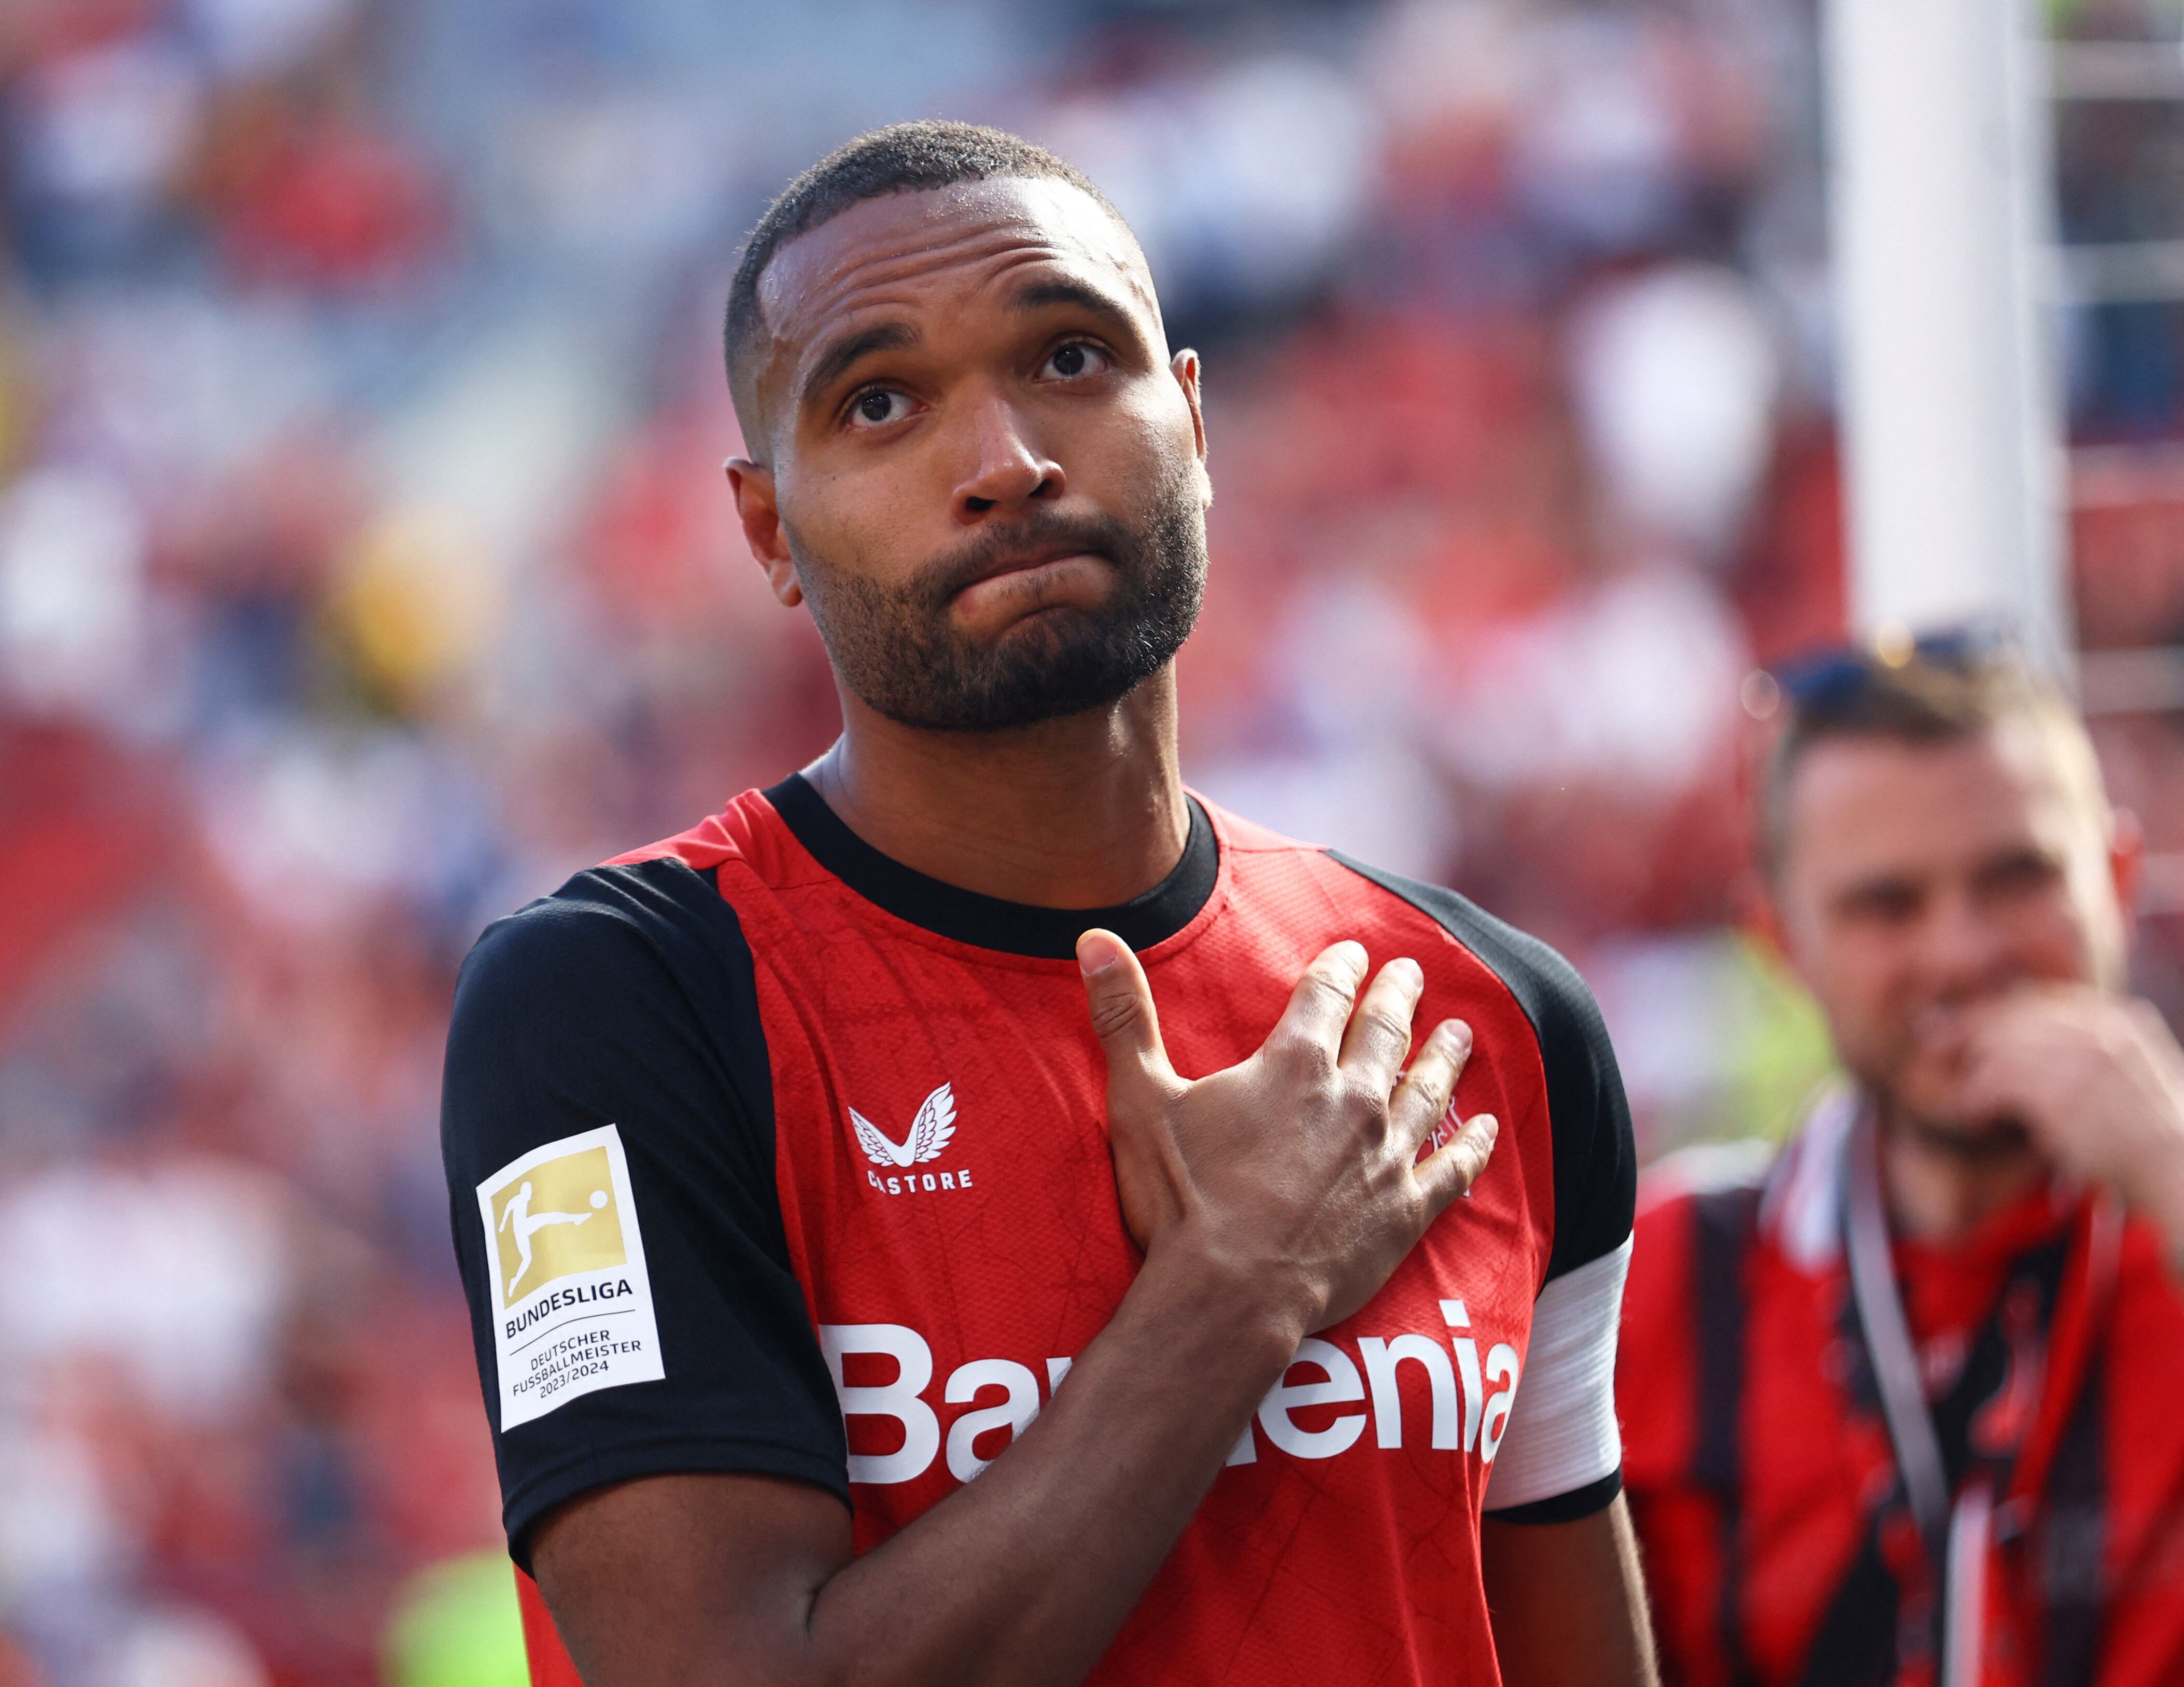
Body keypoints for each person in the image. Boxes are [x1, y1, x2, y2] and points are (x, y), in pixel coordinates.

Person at [442, 121, 1654, 1687]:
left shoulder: (1486, 1019)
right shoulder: (613, 1004)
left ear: (1194, 422)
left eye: (1072, 356)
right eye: (878, 402)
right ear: (769, 535)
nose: (1004, 457)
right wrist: (1231, 1289)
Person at [1618, 635, 2184, 1686]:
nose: (1964, 951)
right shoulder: (1658, 1283)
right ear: (1779, 940)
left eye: (2017, 878)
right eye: (1888, 903)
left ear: (2117, 878)